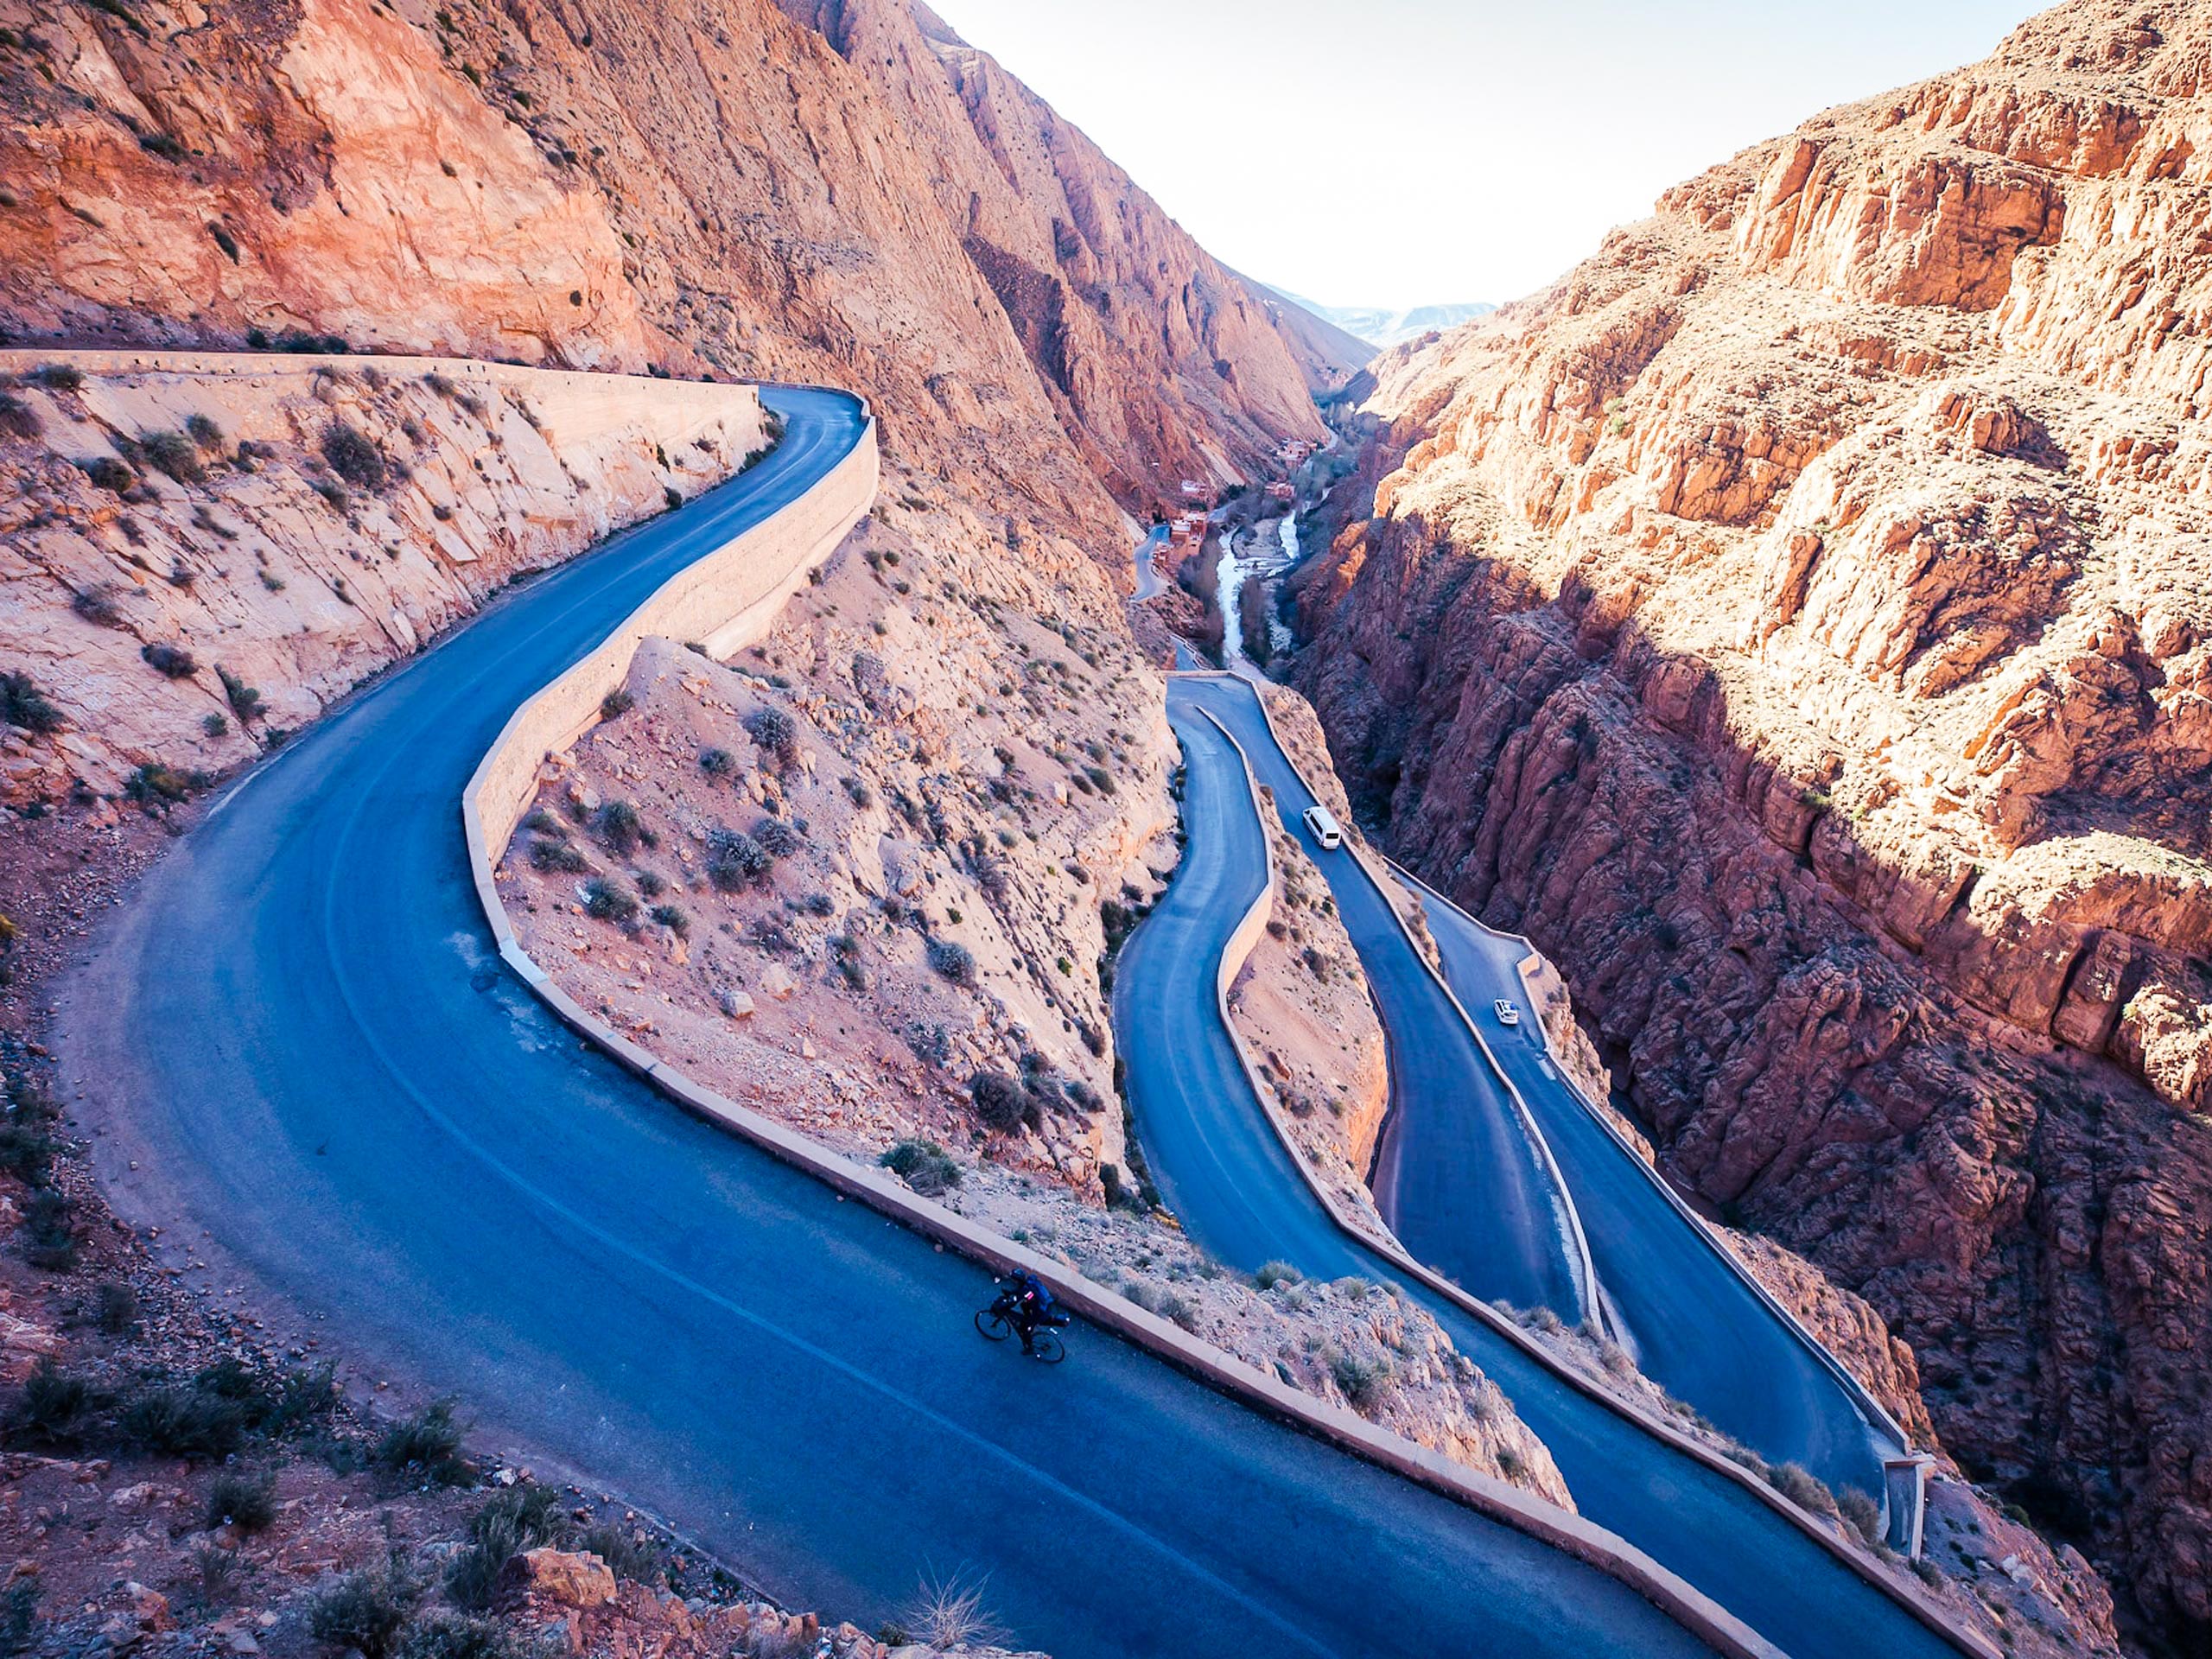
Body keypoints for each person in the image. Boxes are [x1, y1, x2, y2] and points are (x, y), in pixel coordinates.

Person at [1001, 1269, 1063, 1354]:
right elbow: (1020, 1293)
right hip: (1046, 1305)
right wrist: (1011, 1293)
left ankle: (1029, 1348)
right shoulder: (1029, 1283)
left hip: (1041, 1312)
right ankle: (1029, 1320)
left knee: (1024, 1330)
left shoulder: (1025, 1290)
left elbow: (1015, 1300)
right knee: (1024, 1305)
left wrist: (1006, 1303)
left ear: (1017, 1280)